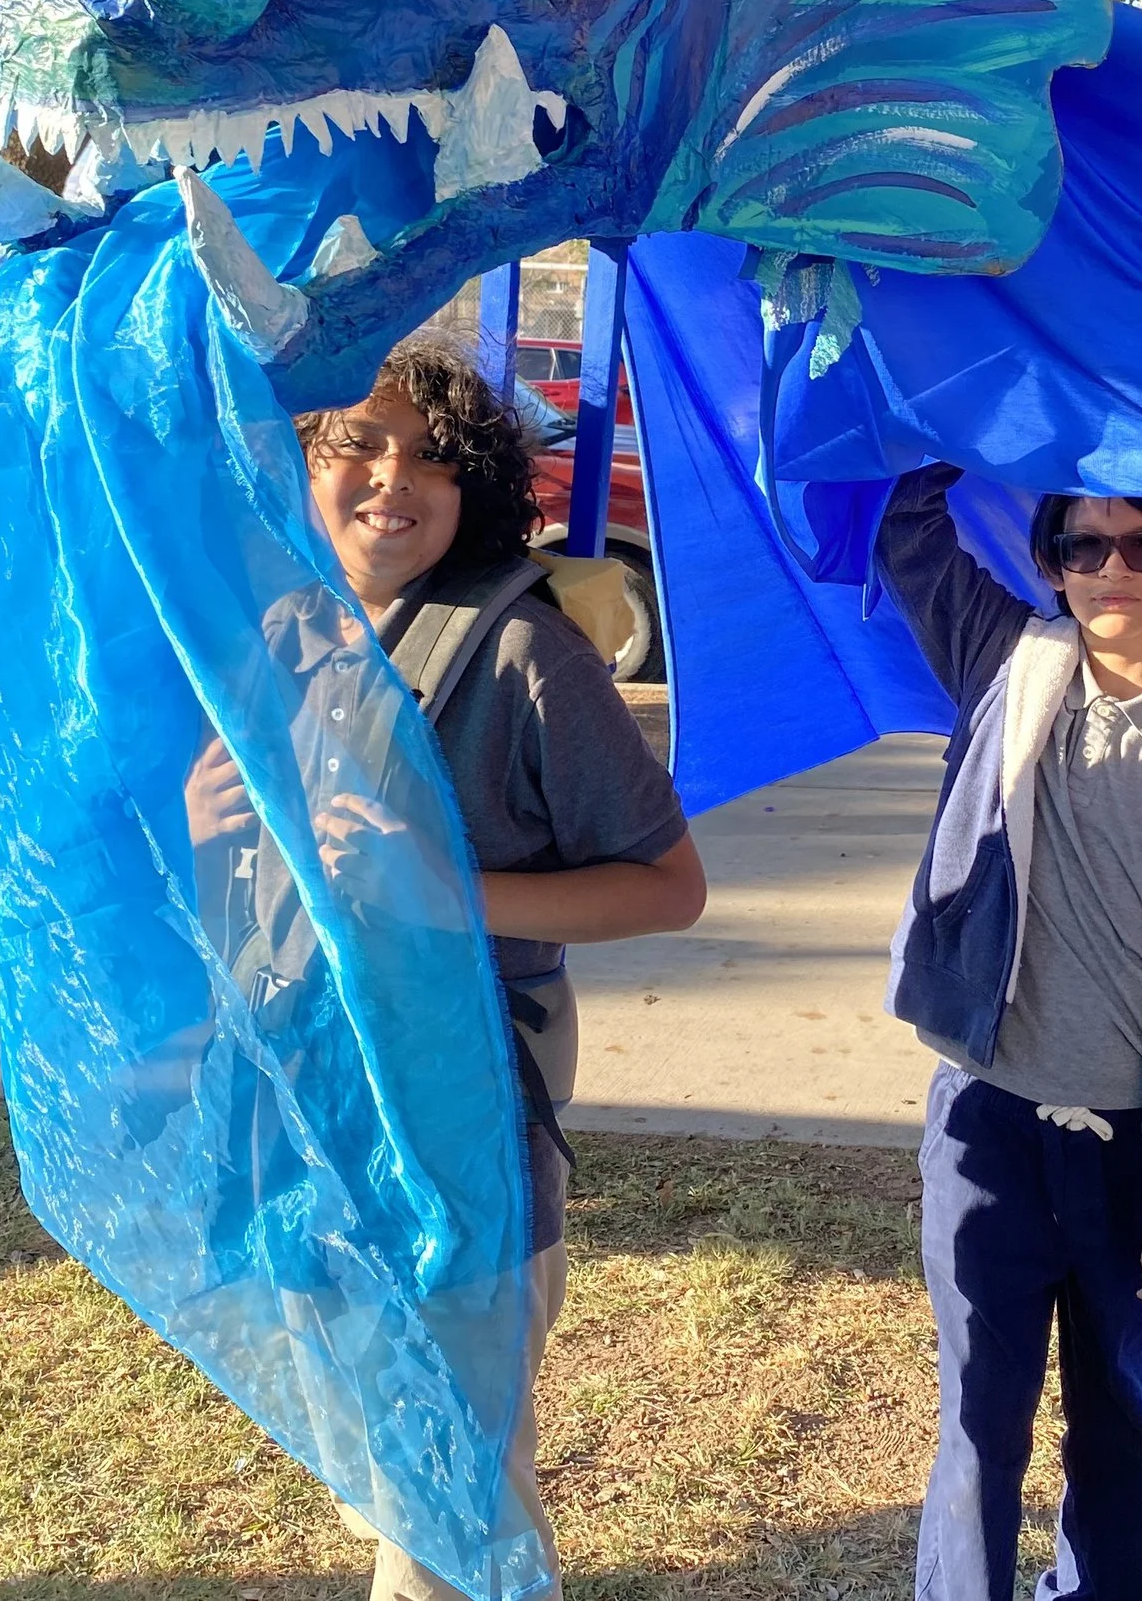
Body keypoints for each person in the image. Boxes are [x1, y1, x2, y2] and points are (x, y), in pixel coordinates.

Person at [292, 335, 707, 1601]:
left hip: (469, 1121)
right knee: (381, 1452)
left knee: (457, 1472)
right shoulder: (294, 639)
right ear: (305, 462)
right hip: (324, 1111)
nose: (388, 480)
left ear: (476, 488)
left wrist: (445, 896)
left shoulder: (525, 657)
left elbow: (669, 886)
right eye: (355, 444)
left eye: (429, 458)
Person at [876, 462, 1142, 1601]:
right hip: (989, 1125)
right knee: (980, 1424)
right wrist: (976, 384)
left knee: (1123, 1425)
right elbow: (904, 532)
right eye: (1083, 547)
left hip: (1140, 1154)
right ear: (1052, 569)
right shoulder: (1002, 670)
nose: (1112, 570)